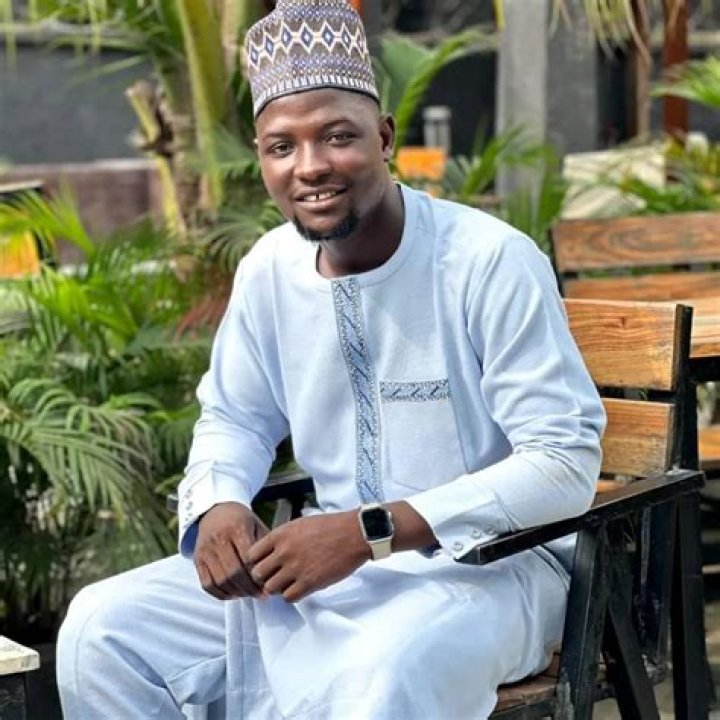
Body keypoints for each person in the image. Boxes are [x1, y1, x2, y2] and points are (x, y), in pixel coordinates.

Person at [56, 1, 606, 717]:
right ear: (262, 159)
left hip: (491, 570)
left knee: (383, 672)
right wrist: (218, 505)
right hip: (323, 565)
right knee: (101, 630)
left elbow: (562, 464)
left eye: (337, 136)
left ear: (385, 137)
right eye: (281, 146)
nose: (310, 166)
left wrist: (367, 531)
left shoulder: (488, 261)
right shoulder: (268, 270)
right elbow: (235, 416)